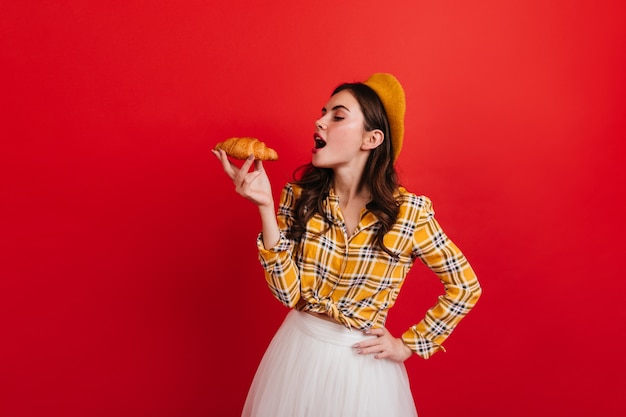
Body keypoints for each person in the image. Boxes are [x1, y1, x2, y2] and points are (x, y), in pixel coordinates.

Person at [213, 73, 482, 417]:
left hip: (363, 371)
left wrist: (410, 345)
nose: (320, 121)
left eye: (337, 116)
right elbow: (288, 295)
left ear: (371, 139)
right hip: (297, 355)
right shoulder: (298, 198)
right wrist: (265, 206)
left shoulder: (410, 213)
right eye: (323, 112)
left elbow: (464, 286)